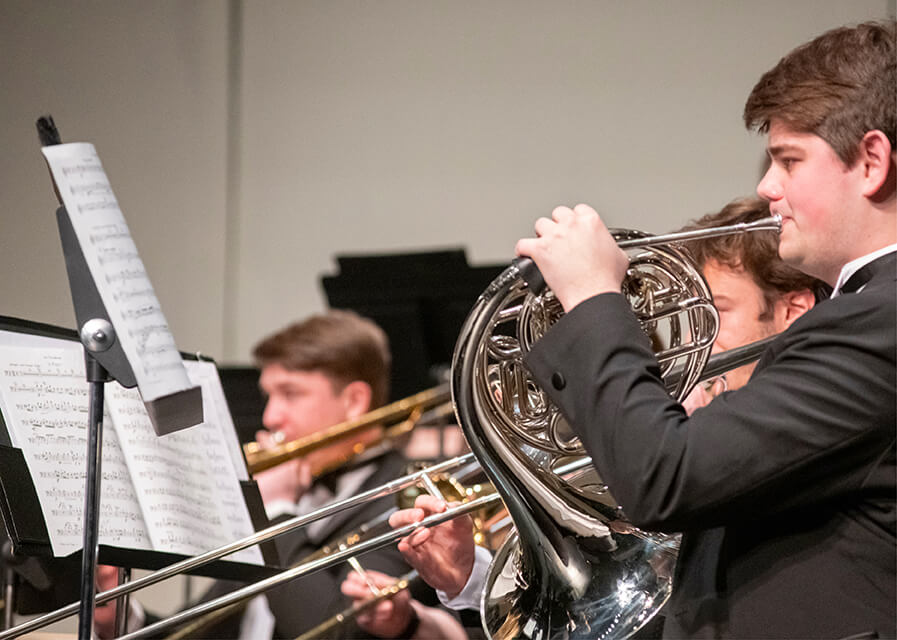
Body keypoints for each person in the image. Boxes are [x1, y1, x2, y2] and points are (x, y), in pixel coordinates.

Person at [511, 20, 896, 638]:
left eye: (788, 160)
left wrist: (591, 299)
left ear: (871, 161)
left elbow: (667, 479)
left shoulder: (880, 320)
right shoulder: (865, 312)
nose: (767, 188)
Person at [387, 195, 826, 619]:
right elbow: (619, 599)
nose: (702, 334)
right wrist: (472, 577)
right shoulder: (684, 421)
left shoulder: (797, 426)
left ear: (795, 309)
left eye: (721, 309)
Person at [97, 310, 463, 639]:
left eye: (290, 394)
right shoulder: (295, 491)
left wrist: (273, 511)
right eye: (268, 396)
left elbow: (340, 629)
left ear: (354, 401)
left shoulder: (402, 497)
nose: (271, 417)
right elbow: (204, 629)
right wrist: (122, 619)